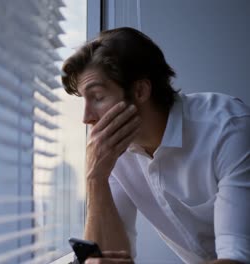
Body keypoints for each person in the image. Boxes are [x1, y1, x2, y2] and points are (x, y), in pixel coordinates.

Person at [61, 27, 250, 264]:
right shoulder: (115, 153)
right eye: (83, 100)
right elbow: (108, 256)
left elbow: (237, 259)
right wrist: (95, 178)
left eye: (97, 97)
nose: (86, 117)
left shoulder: (228, 129)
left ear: (140, 91)